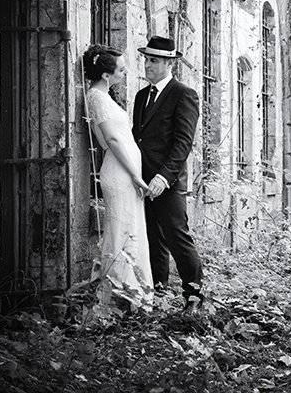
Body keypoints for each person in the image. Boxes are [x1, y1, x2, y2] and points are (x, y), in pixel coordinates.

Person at [132, 36, 204, 312]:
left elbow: (183, 143)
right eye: (146, 59)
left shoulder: (183, 94)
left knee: (177, 236)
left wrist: (164, 177)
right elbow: (138, 138)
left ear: (169, 63)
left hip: (168, 183)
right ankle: (158, 292)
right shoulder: (142, 96)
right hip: (143, 181)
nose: (147, 65)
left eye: (153, 60)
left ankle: (194, 297)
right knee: (152, 238)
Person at [82, 44, 153, 303]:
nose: (125, 73)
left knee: (130, 229)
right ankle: (116, 298)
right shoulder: (97, 98)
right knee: (122, 231)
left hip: (125, 170)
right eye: (121, 69)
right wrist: (135, 174)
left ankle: (133, 294)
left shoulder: (105, 96)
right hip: (121, 172)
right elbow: (109, 139)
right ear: (105, 75)